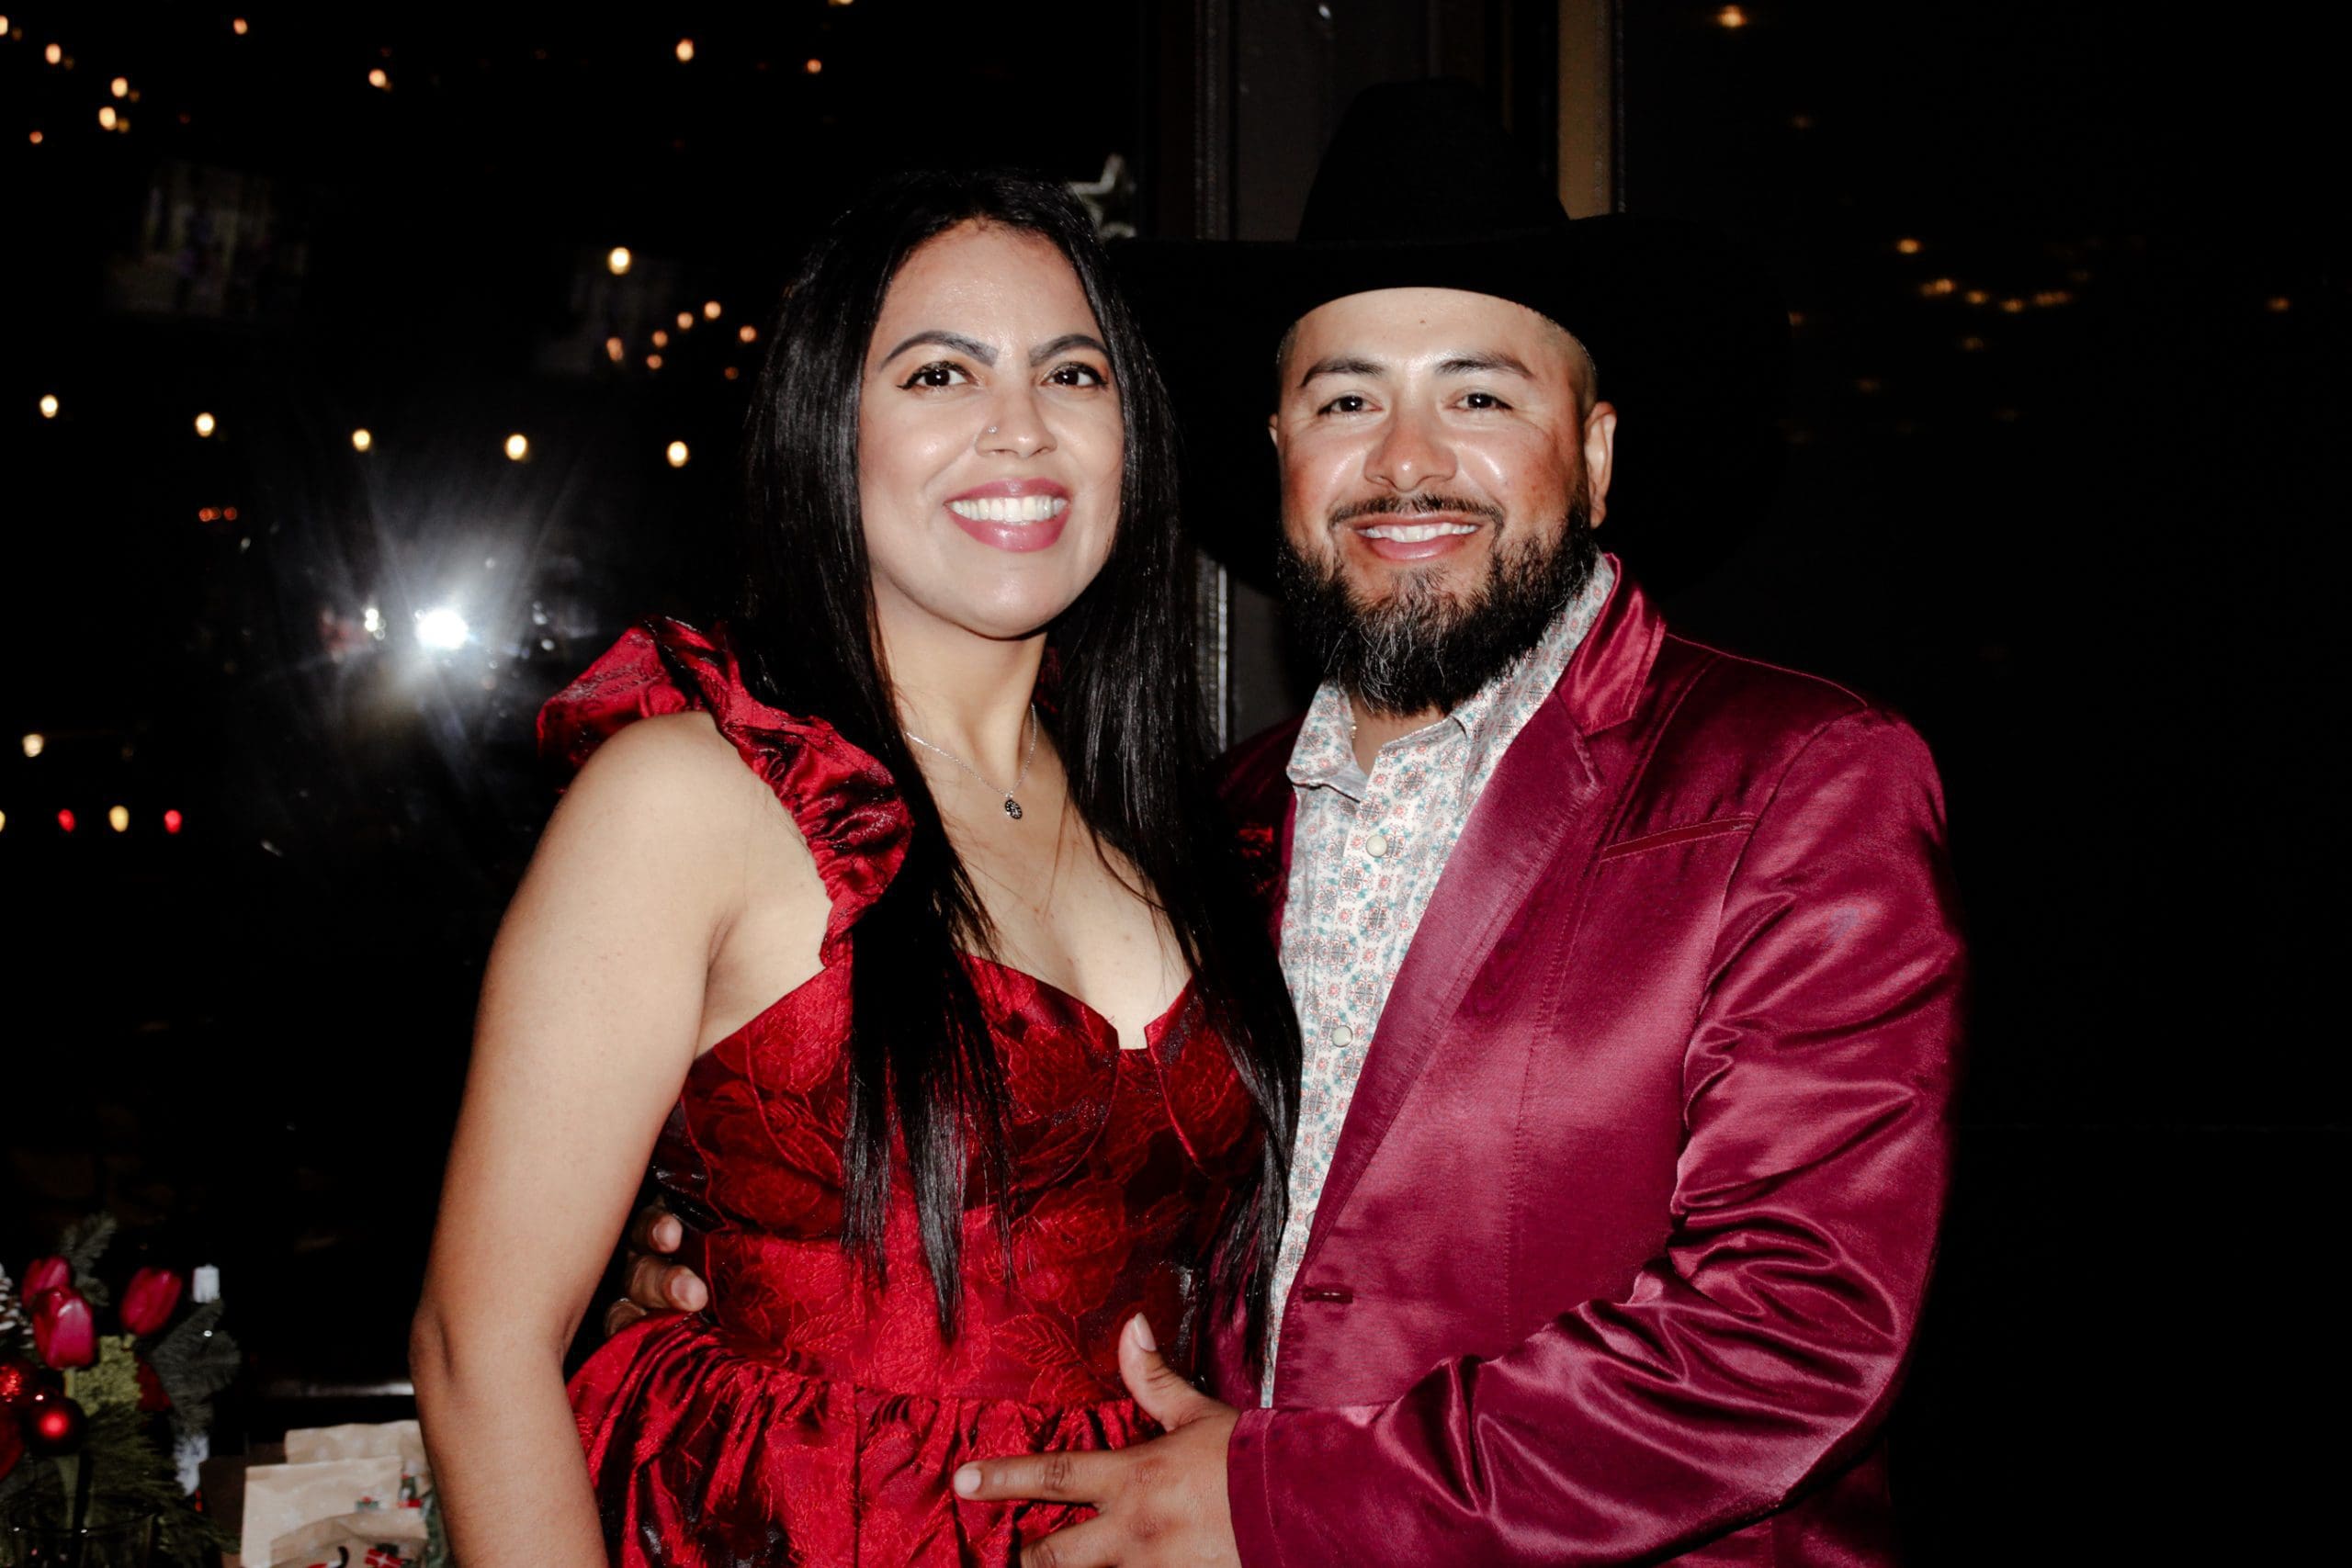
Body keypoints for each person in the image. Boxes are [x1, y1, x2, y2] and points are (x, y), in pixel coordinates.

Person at [631, 82, 1964, 1564]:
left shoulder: (1796, 785)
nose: (1406, 462)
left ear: (1593, 454)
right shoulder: (1193, 829)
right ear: (1278, 448)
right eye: (1346, 399)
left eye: (1479, 396)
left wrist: (1282, 1501)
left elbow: (1793, 1334)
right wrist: (742, 1267)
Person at [410, 170, 1299, 1568]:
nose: (1021, 425)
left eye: (1072, 373)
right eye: (941, 373)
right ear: (829, 430)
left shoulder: (1178, 828)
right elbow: (481, 1349)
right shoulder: (689, 800)